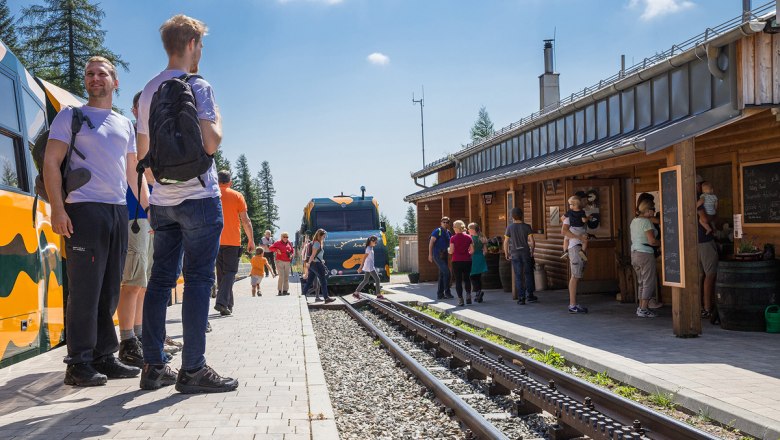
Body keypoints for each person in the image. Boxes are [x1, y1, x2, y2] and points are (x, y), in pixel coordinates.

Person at [137, 14, 238, 393]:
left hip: (163, 202)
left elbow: (143, 153)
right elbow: (211, 143)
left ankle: (153, 366)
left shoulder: (149, 90)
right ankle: (193, 369)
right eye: (201, 46)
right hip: (199, 198)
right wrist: (220, 121)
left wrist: (159, 191)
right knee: (197, 279)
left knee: (159, 280)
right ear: (193, 44)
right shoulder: (198, 84)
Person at [44, 56, 150, 386]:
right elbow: (51, 162)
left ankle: (105, 357)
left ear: (115, 82)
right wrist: (58, 210)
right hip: (83, 211)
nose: (95, 78)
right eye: (90, 74)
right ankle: (78, 363)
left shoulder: (123, 124)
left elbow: (134, 171)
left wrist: (150, 210)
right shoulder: (70, 117)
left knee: (109, 291)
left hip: (117, 212)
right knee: (85, 290)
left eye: (102, 73)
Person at [214, 170, 255, 316]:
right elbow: (245, 220)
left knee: (221, 275)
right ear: (230, 182)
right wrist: (251, 240)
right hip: (232, 241)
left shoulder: (212, 193)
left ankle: (227, 306)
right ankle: (221, 302)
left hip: (215, 241)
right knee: (230, 273)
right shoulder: (237, 195)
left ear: (217, 181)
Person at [631, 200, 660, 318]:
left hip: (635, 253)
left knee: (641, 281)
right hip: (645, 253)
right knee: (648, 281)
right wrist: (662, 243)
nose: (654, 212)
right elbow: (652, 241)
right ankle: (643, 308)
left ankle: (641, 307)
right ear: (648, 211)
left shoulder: (634, 221)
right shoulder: (646, 222)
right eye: (653, 209)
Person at [504, 208, 538, 305]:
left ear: (512, 216)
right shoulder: (527, 226)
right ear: (522, 215)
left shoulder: (509, 227)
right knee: (528, 274)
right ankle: (530, 296)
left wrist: (507, 253)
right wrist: (532, 251)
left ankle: (521, 298)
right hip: (525, 253)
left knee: (518, 276)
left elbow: (506, 242)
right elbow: (532, 241)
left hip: (515, 253)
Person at [562, 203, 589, 314]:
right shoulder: (569, 218)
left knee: (576, 275)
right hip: (575, 247)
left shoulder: (579, 216)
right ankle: (572, 305)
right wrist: (580, 238)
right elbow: (564, 231)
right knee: (575, 276)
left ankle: (573, 304)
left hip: (575, 247)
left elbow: (565, 237)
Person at [302, 229, 335, 304]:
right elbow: (313, 255)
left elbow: (316, 255)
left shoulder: (316, 242)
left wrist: (321, 260)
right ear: (320, 235)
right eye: (324, 236)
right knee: (323, 281)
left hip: (314, 264)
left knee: (309, 281)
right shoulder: (317, 243)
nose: (324, 237)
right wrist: (308, 263)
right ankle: (326, 298)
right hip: (316, 264)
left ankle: (302, 296)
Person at [698, 205, 719, 320]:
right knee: (710, 275)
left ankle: (699, 306)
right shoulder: (699, 200)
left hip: (693, 241)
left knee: (699, 275)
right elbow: (705, 219)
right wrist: (715, 214)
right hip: (705, 242)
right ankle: (707, 308)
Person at [449, 220, 474, 306]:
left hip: (456, 261)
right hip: (467, 261)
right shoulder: (468, 237)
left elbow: (451, 251)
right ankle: (468, 296)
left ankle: (460, 299)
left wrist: (448, 250)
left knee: (458, 281)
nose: (453, 228)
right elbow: (472, 250)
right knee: (467, 279)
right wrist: (466, 254)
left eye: (453, 227)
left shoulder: (453, 238)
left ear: (456, 228)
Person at [428, 217, 453, 300]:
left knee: (442, 274)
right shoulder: (437, 231)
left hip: (445, 255)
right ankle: (447, 292)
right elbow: (431, 242)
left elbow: (451, 244)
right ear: (441, 222)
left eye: (447, 222)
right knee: (447, 273)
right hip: (437, 255)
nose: (445, 223)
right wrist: (430, 255)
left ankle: (440, 294)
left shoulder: (448, 232)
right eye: (444, 222)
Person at [561, 195, 590, 262]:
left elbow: (562, 218)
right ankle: (582, 251)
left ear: (573, 205)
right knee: (585, 240)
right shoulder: (582, 212)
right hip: (580, 230)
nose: (569, 206)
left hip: (572, 229)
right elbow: (584, 220)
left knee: (566, 239)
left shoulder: (569, 212)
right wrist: (588, 218)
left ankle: (565, 251)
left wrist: (564, 220)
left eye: (570, 204)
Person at [468, 222, 488, 303]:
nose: (468, 230)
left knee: (472, 276)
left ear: (473, 230)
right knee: (478, 277)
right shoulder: (481, 238)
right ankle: (478, 293)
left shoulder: (471, 239)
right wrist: (481, 255)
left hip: (473, 258)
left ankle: (478, 292)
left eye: (469, 229)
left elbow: (471, 250)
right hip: (480, 258)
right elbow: (485, 251)